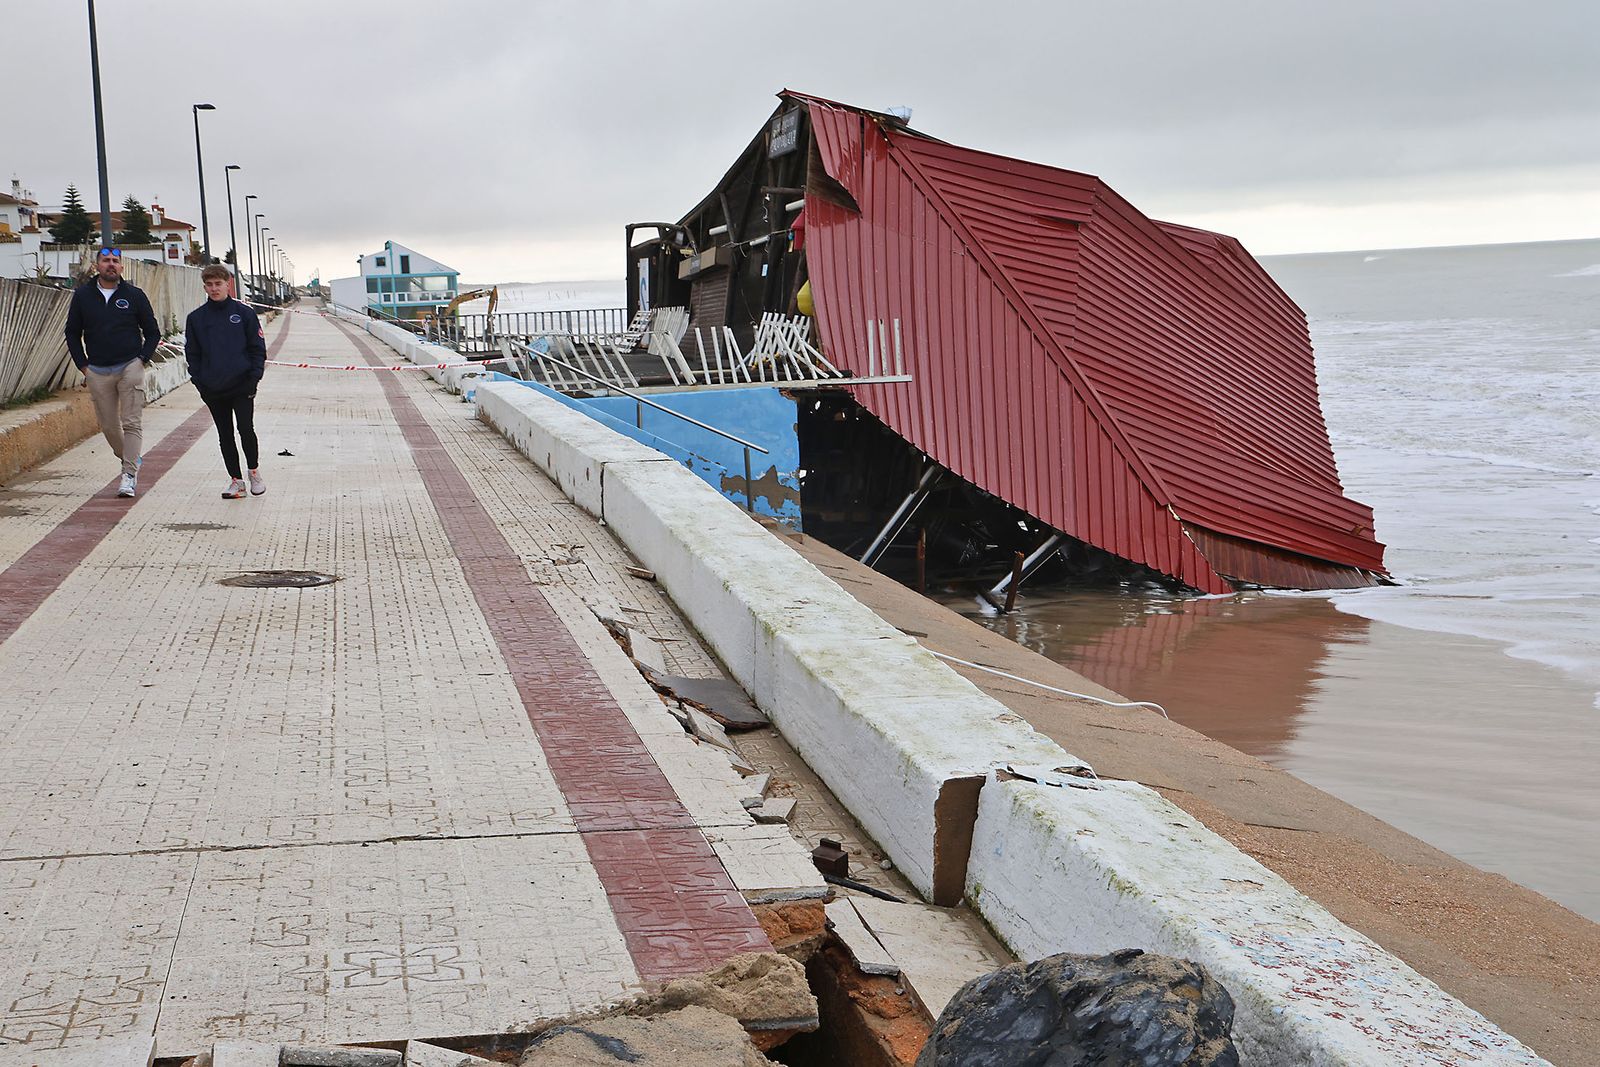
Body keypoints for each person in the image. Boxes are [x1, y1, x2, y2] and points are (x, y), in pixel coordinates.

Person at [63, 247, 160, 498]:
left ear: (121, 267)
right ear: (97, 266)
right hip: (97, 369)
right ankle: (131, 459)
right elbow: (72, 333)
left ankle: (128, 475)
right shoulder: (83, 296)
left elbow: (153, 332)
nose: (111, 265)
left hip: (130, 366)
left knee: (131, 422)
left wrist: (142, 359)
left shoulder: (134, 295)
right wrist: (83, 366)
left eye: (115, 261)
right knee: (108, 425)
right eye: (106, 260)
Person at [185, 264, 267, 498]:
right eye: (209, 285)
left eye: (218, 284)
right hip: (213, 388)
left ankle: (254, 472)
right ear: (205, 287)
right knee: (225, 434)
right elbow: (192, 353)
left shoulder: (244, 313)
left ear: (228, 284)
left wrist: (253, 379)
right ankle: (236, 481)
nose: (214, 289)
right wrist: (200, 382)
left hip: (242, 385)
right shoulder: (196, 318)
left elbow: (257, 348)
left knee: (245, 429)